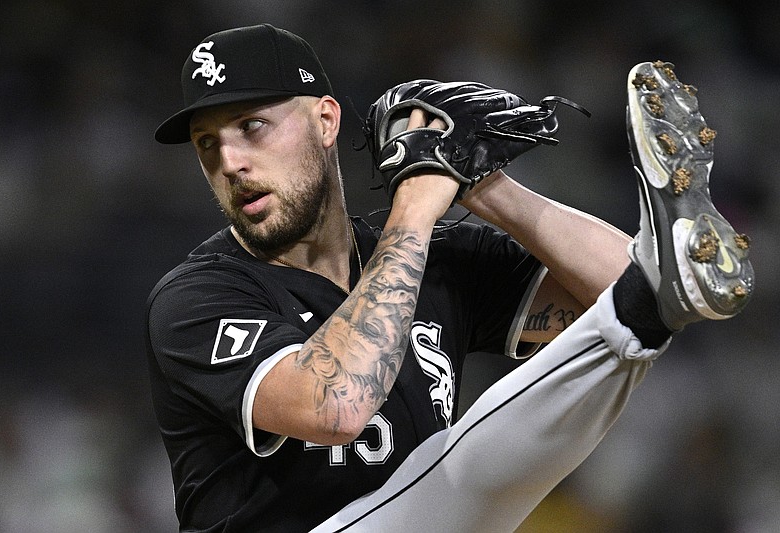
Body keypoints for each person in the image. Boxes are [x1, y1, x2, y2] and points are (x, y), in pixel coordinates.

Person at [145, 24, 753, 532]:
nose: (230, 163)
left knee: (635, 313)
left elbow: (618, 283)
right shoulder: (197, 298)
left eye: (251, 126)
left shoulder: (439, 253)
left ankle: (654, 291)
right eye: (207, 145)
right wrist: (415, 207)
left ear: (325, 120)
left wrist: (485, 186)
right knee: (456, 469)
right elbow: (336, 407)